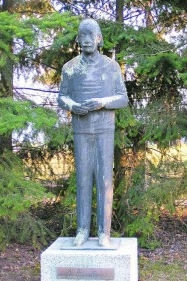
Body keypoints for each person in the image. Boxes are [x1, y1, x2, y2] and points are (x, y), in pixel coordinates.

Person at [58, 18, 128, 247]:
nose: (87, 40)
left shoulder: (111, 67)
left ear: (99, 39)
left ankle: (104, 232)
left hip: (104, 130)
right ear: (78, 39)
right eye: (83, 36)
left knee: (105, 180)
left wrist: (102, 102)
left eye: (91, 35)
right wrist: (72, 106)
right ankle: (82, 230)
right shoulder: (70, 68)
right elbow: (62, 97)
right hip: (81, 130)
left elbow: (122, 99)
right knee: (83, 179)